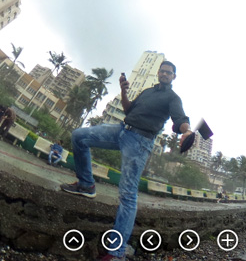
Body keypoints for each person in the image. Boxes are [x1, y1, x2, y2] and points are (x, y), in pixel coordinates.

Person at [60, 61, 191, 261]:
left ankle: (116, 252)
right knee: (79, 136)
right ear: (158, 73)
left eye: (169, 72)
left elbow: (180, 119)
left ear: (174, 76)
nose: (164, 74)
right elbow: (129, 110)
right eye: (162, 71)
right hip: (122, 130)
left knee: (128, 195)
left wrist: (187, 131)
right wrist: (123, 91)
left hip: (139, 142)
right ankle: (86, 185)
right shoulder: (148, 92)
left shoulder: (172, 98)